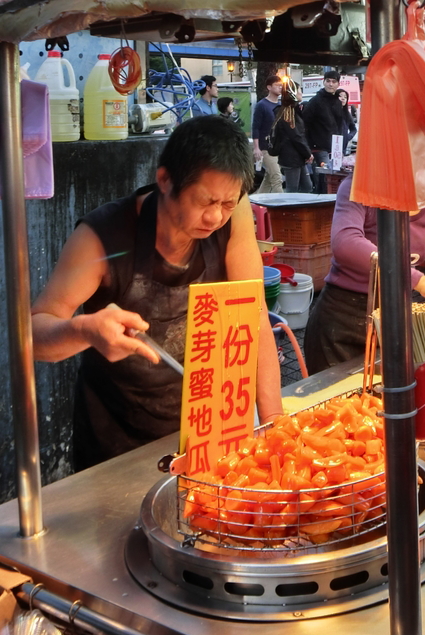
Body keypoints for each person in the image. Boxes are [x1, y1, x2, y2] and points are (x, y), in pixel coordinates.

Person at [30, 116, 283, 469]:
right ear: (165, 180)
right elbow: (34, 335)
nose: (215, 217)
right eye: (204, 201)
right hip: (117, 445)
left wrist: (274, 428)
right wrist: (83, 330)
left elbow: (252, 314)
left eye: (226, 204)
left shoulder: (231, 209)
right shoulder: (102, 237)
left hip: (205, 429)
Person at [304, 176, 425, 373]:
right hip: (344, 322)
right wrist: (420, 281)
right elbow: (345, 242)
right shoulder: (359, 185)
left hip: (399, 320)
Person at [268, 84, 313, 193]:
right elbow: (296, 136)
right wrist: (307, 153)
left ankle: (302, 209)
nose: (301, 93)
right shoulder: (288, 113)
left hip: (296, 156)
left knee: (307, 187)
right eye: (299, 91)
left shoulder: (291, 111)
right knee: (292, 190)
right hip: (291, 156)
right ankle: (288, 209)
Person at [302, 70, 345, 169]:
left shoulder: (338, 102)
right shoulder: (315, 101)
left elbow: (339, 126)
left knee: (333, 177)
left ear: (338, 84)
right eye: (328, 81)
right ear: (323, 82)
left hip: (335, 148)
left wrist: (340, 148)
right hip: (318, 148)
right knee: (323, 178)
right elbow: (304, 124)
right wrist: (308, 147)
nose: (330, 84)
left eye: (334, 82)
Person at [251, 74, 284, 194]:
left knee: (269, 178)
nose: (280, 87)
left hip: (277, 146)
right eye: (277, 85)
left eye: (281, 85)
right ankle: (282, 207)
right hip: (265, 146)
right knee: (276, 177)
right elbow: (256, 127)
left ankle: (257, 202)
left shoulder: (281, 105)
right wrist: (256, 148)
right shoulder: (262, 105)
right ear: (269, 87)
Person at [335, 88, 357, 153]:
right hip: (330, 147)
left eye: (345, 97)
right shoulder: (329, 112)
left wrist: (347, 137)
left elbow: (353, 129)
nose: (343, 98)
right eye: (340, 96)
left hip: (343, 147)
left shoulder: (347, 114)